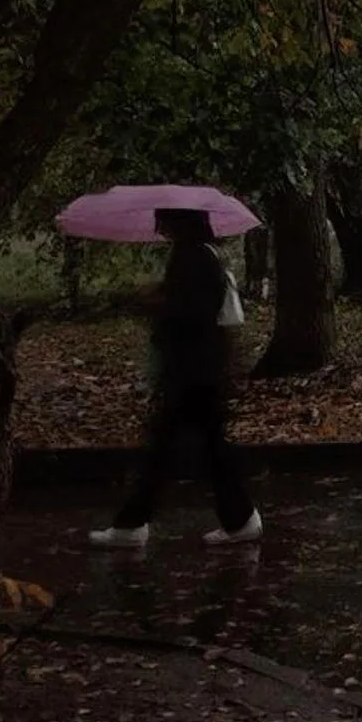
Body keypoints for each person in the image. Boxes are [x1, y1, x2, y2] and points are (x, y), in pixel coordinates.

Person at [90, 208, 262, 548]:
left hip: (192, 372)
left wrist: (158, 304)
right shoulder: (207, 253)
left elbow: (191, 314)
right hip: (202, 370)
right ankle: (239, 518)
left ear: (179, 221)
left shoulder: (192, 257)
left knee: (166, 451)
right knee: (203, 450)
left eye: (164, 221)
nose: (160, 228)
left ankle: (132, 525)